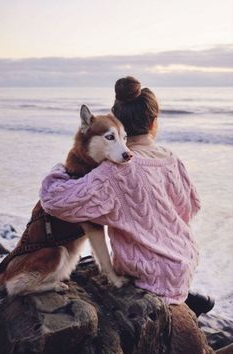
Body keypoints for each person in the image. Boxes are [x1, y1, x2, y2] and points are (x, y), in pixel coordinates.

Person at [40, 76, 201, 306]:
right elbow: (192, 207)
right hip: (185, 260)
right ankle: (189, 300)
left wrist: (62, 168)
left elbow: (53, 200)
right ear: (154, 122)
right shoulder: (170, 158)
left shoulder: (114, 171)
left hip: (148, 275)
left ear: (117, 120)